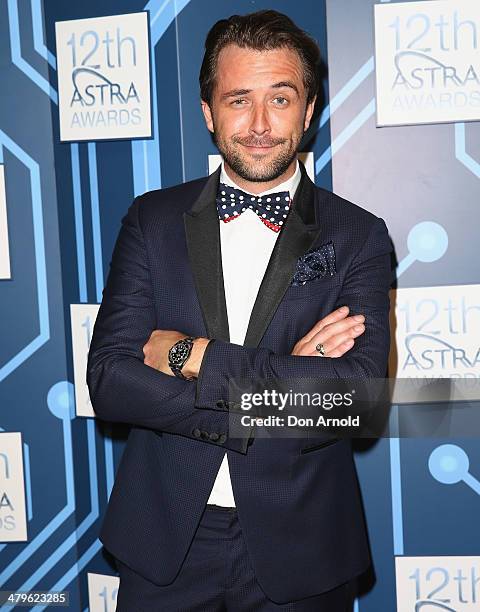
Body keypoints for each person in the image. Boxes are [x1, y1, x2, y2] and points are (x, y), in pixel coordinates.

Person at [87, 9, 392, 611]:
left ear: (308, 112)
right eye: (237, 100)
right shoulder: (151, 221)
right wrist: (278, 386)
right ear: (208, 113)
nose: (258, 124)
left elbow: (354, 401)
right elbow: (112, 382)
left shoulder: (358, 235)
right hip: (166, 543)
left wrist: (193, 356)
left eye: (280, 99)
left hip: (304, 544)